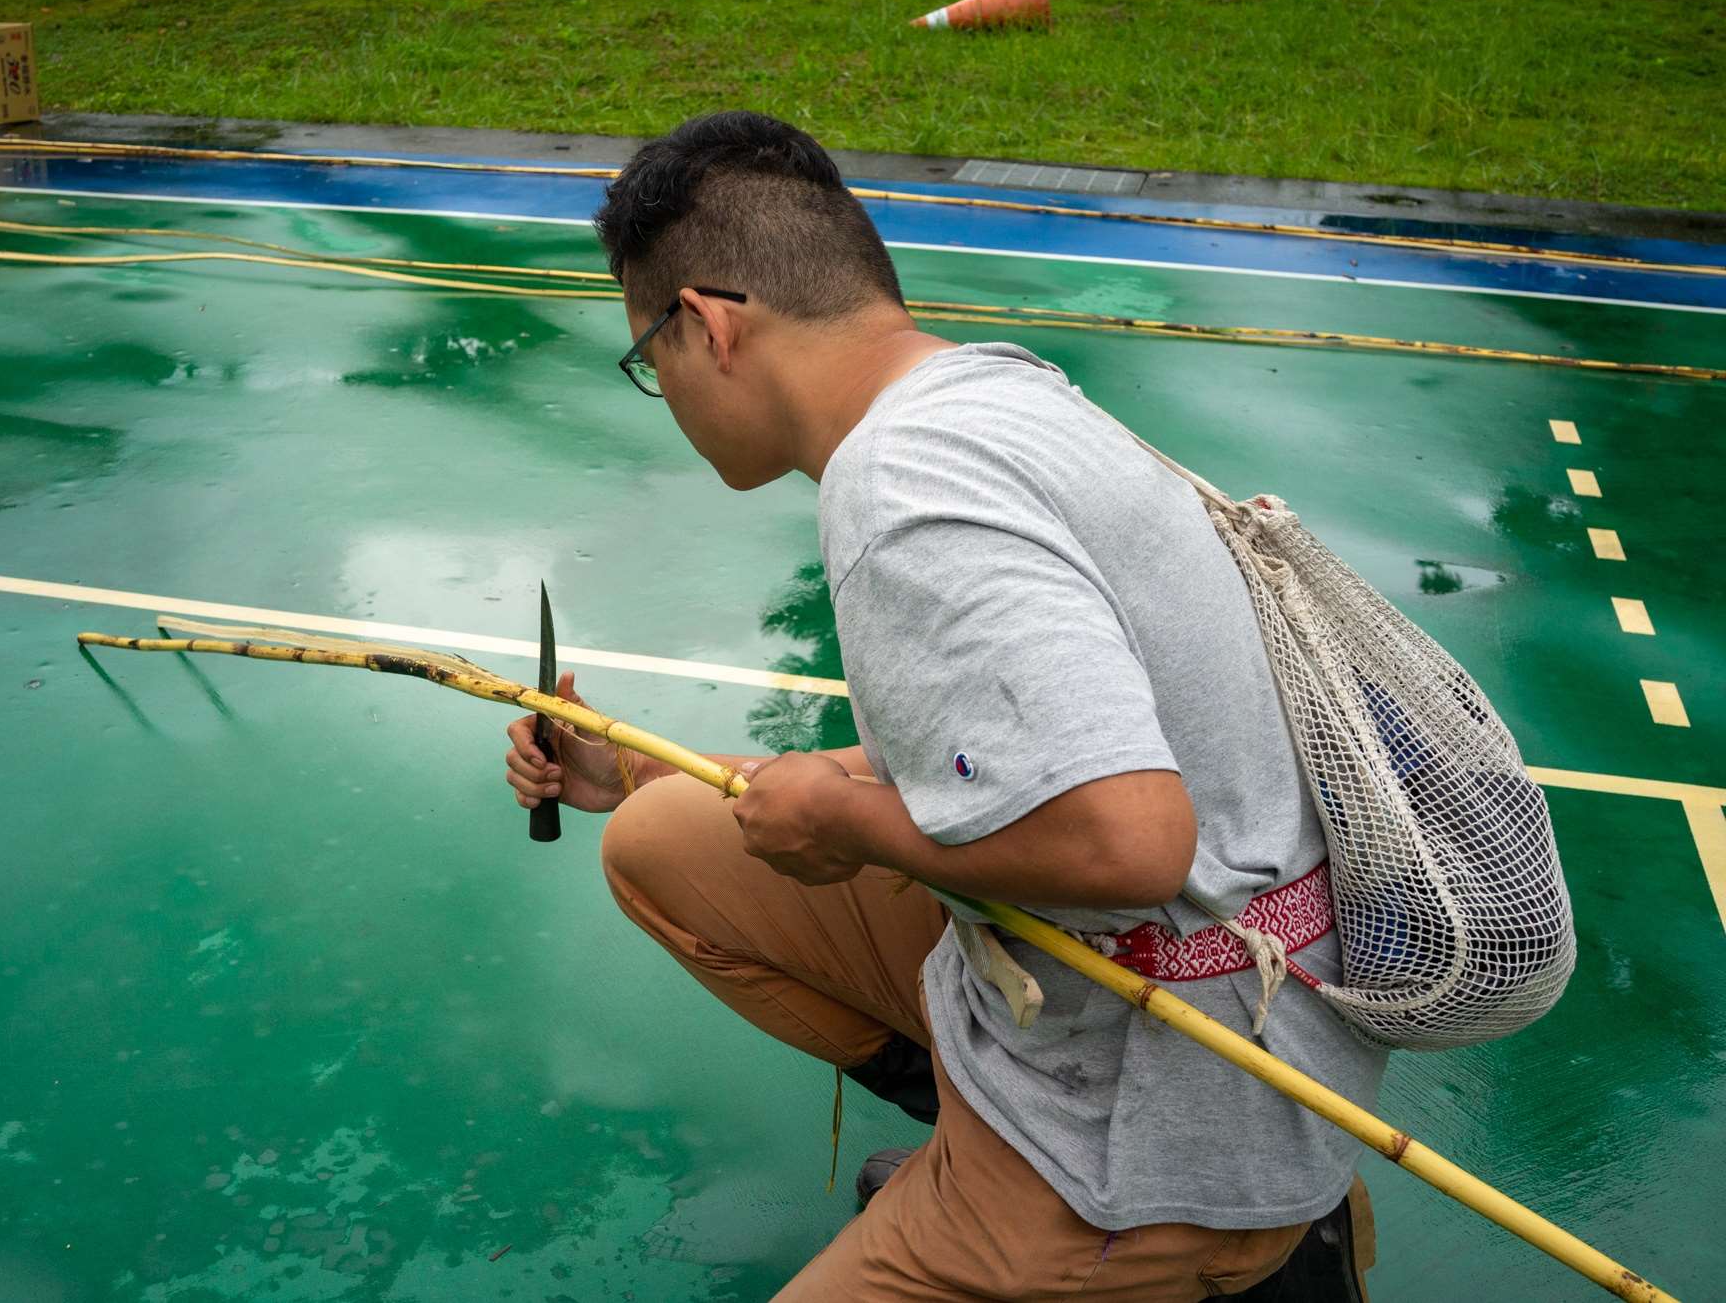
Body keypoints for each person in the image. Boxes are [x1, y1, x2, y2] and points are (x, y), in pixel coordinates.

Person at [503, 110, 1385, 1301]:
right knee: (663, 836)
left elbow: (1130, 841)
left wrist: (845, 822)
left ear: (707, 325)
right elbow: (990, 760)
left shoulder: (899, 491)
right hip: (1267, 1011)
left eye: (647, 359)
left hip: (1157, 1109)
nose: (659, 389)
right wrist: (637, 773)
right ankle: (996, 1139)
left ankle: (1170, 1249)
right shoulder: (995, 394)